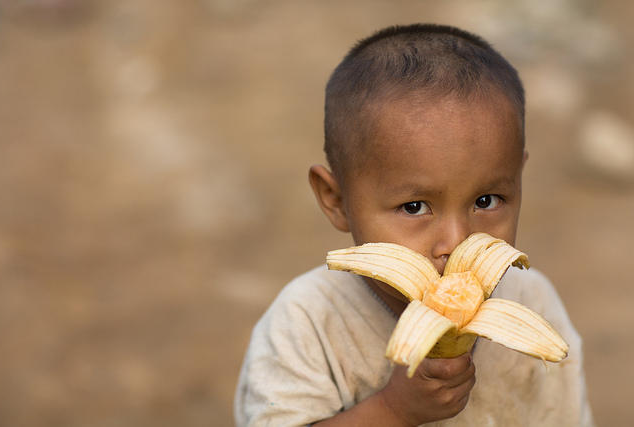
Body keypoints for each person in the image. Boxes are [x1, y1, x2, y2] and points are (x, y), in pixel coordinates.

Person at [234, 23, 595, 426]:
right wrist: (391, 411)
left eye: (485, 201)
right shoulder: (307, 322)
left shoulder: (534, 302)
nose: (457, 242)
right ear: (335, 201)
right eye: (414, 207)